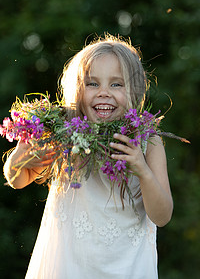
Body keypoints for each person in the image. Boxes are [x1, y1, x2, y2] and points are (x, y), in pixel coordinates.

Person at [3, 35, 173, 279]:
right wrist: (20, 157)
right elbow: (17, 179)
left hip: (128, 267)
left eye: (116, 84)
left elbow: (162, 215)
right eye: (92, 84)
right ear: (77, 90)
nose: (104, 93)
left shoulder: (147, 141)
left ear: (135, 92)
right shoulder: (64, 134)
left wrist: (141, 169)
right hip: (69, 265)